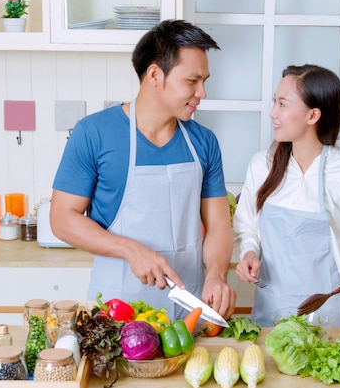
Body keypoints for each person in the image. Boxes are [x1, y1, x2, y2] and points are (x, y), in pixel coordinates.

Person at [50, 19, 237, 322]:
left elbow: (218, 226)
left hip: (187, 312)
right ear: (154, 74)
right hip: (117, 312)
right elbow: (61, 219)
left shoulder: (204, 142)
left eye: (204, 81)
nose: (202, 92)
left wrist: (216, 274)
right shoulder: (94, 133)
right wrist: (131, 250)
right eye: (192, 81)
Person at [233, 64, 340, 327]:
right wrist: (248, 252)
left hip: (327, 315)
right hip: (270, 311)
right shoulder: (262, 166)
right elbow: (248, 226)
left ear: (312, 115)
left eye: (282, 104)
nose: (272, 113)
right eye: (274, 102)